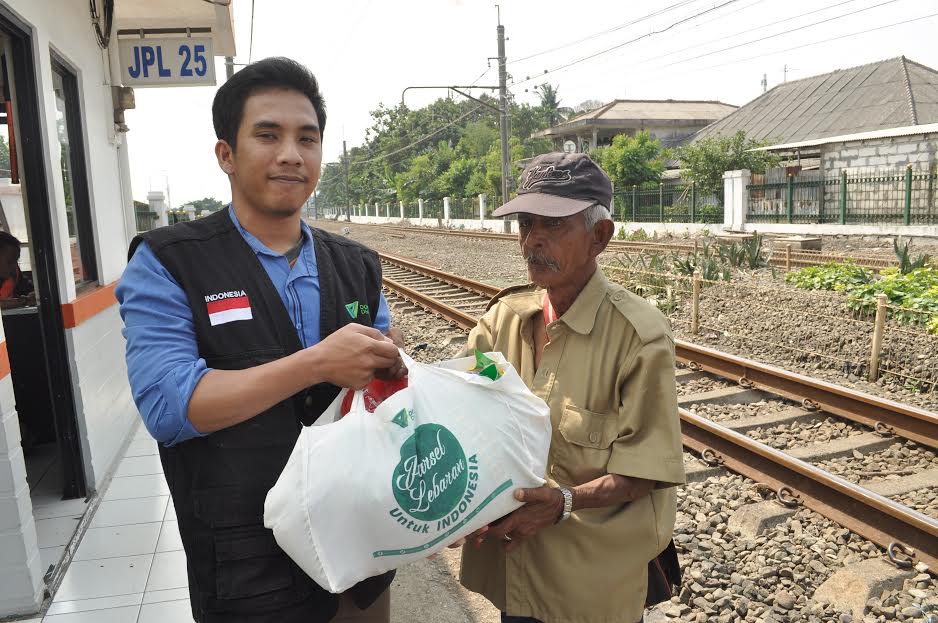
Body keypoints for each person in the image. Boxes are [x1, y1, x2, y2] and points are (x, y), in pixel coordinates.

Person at [117, 57, 404, 623]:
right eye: (267, 135)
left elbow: (387, 390)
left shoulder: (356, 265)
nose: (291, 154)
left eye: (307, 138)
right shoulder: (169, 262)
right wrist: (317, 363)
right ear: (226, 154)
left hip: (360, 552)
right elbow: (172, 406)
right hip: (247, 561)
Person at [458, 152, 685, 623]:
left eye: (554, 225)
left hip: (589, 585)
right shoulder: (501, 321)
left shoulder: (639, 337)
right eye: (526, 224)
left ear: (600, 237)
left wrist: (564, 502)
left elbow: (645, 471)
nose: (532, 241)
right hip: (514, 571)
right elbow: (454, 411)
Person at [0, 231, 34, 308]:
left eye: (16, 261)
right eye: (10, 261)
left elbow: (30, 291)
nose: (14, 266)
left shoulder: (15, 275)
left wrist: (34, 296)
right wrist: (21, 302)